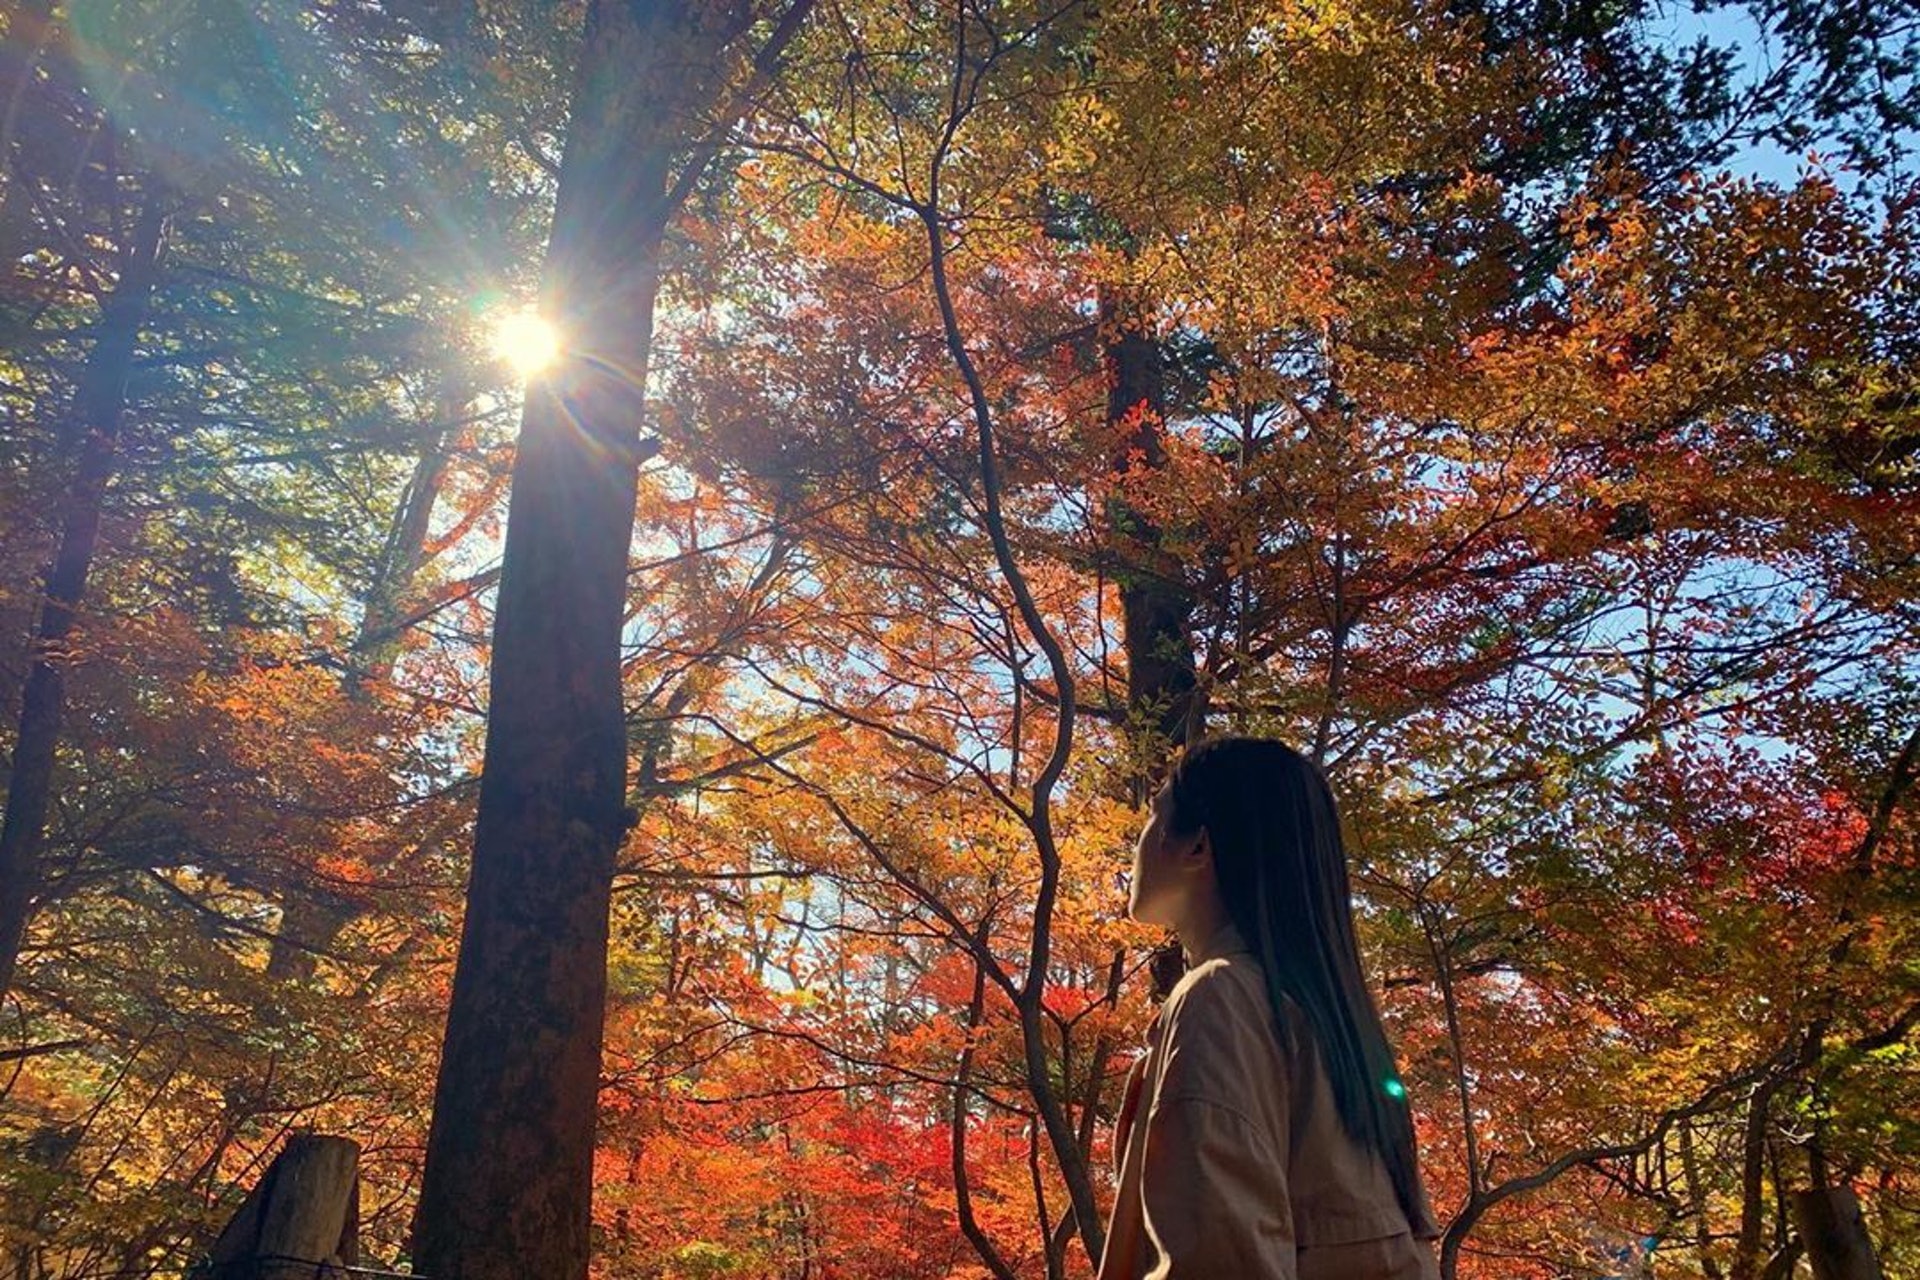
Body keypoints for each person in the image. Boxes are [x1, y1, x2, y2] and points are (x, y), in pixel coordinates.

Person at [1097, 735, 1442, 1280]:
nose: (1135, 843)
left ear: (1197, 847)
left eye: (1152, 816)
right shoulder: (1333, 1023)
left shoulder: (1223, 1000)